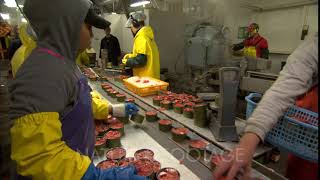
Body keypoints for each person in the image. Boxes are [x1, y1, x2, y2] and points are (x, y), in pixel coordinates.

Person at [9, 0, 144, 179]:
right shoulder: (42, 73)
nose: (91, 33)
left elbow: (78, 102)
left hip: (74, 165)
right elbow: (39, 156)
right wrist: (93, 177)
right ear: (66, 25)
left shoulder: (63, 63)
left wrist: (112, 109)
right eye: (88, 25)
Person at [214, 35, 318, 180]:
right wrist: (246, 144)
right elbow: (284, 89)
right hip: (309, 148)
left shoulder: (262, 42)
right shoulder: (314, 45)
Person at [122, 11, 160, 79]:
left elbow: (140, 61)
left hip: (145, 79)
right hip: (152, 77)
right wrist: (131, 56)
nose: (131, 29)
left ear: (135, 24)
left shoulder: (141, 38)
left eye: (131, 27)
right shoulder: (148, 36)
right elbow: (146, 55)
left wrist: (126, 61)